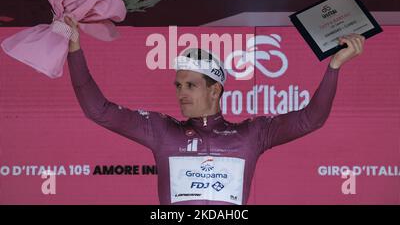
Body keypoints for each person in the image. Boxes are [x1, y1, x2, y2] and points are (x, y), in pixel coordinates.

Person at [64, 16, 365, 205]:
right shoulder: (161, 129)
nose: (181, 93)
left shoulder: (251, 134)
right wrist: (74, 47)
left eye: (190, 86)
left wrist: (334, 67)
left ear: (215, 89)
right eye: (178, 86)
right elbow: (98, 111)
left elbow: (311, 120)